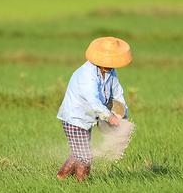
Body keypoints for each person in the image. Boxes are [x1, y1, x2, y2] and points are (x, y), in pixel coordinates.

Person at [56, 36, 132, 181]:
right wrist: (109, 117)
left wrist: (123, 113)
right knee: (85, 156)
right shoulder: (87, 75)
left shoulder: (110, 72)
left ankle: (61, 177)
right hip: (75, 118)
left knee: (79, 153)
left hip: (88, 118)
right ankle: (82, 185)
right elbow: (93, 101)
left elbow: (117, 93)